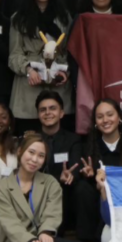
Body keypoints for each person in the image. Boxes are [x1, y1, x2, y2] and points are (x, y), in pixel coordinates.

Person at [9, 0, 72, 134]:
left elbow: (69, 51)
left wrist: (65, 71)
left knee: (60, 136)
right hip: (29, 86)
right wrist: (28, 69)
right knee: (29, 138)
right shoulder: (19, 18)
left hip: (58, 84)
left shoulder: (64, 17)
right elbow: (14, 55)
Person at [76, 99, 122, 242]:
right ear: (95, 122)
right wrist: (89, 175)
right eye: (100, 117)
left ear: (119, 117)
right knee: (82, 189)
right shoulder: (89, 145)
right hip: (99, 195)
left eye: (110, 115)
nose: (105, 120)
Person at [36, 91, 83, 234]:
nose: (47, 113)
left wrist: (68, 176)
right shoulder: (31, 140)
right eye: (43, 110)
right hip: (37, 190)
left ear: (61, 113)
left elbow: (75, 168)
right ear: (38, 115)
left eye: (52, 108)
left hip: (64, 192)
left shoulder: (73, 139)